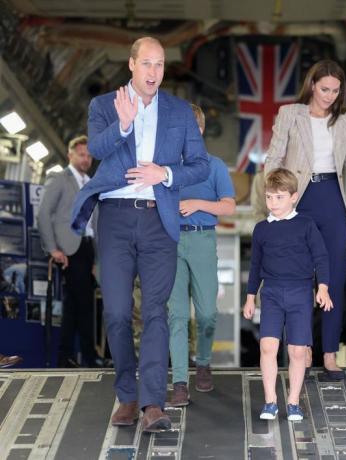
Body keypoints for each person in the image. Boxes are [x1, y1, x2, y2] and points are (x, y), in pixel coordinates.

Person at [71, 36, 209, 432]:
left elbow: (198, 165)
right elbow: (96, 148)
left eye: (160, 65)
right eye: (146, 64)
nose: (154, 72)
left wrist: (164, 174)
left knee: (155, 313)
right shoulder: (103, 106)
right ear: (131, 65)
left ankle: (152, 403)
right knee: (115, 313)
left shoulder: (180, 113)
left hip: (157, 219)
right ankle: (126, 396)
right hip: (114, 219)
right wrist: (125, 124)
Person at [265, 59, 346, 380]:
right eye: (324, 89)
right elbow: (273, 159)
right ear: (312, 85)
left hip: (331, 202)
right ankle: (302, 348)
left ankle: (330, 354)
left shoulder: (345, 119)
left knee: (333, 279)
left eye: (336, 91)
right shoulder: (290, 114)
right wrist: (275, 200)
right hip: (299, 198)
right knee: (299, 279)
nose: (329, 96)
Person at [243, 168, 333, 421]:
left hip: (300, 294)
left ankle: (293, 402)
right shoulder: (261, 229)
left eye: (279, 197)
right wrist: (250, 296)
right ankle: (270, 401)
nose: (273, 203)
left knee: (296, 352)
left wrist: (323, 287)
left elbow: (321, 257)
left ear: (294, 197)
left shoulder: (306, 225)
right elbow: (255, 265)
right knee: (267, 347)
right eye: (269, 197)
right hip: (270, 293)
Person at [167, 104, 236, 406]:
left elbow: (229, 206)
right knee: (177, 315)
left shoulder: (215, 166)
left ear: (201, 129)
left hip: (203, 240)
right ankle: (180, 380)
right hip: (170, 242)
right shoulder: (166, 167)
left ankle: (203, 361)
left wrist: (197, 203)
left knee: (208, 314)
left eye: (192, 127)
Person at [38, 135, 98, 368]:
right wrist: (53, 248)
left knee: (74, 303)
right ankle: (88, 356)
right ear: (70, 155)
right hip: (69, 248)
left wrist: (97, 256)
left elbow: (95, 220)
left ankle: (66, 357)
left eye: (89, 155)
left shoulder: (91, 183)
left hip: (87, 247)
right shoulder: (59, 179)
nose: (86, 159)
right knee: (84, 303)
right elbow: (44, 214)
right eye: (81, 155)